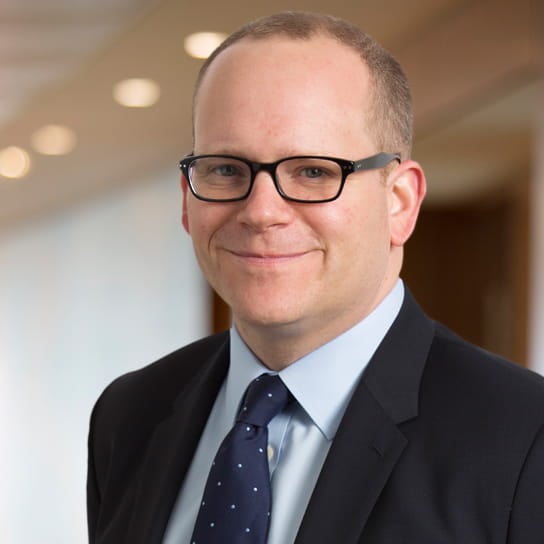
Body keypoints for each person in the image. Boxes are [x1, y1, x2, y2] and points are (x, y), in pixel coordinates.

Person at [87, 11, 544, 544]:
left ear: (400, 203)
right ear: (188, 201)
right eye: (226, 169)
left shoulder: (524, 438)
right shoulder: (130, 416)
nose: (261, 212)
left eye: (312, 172)